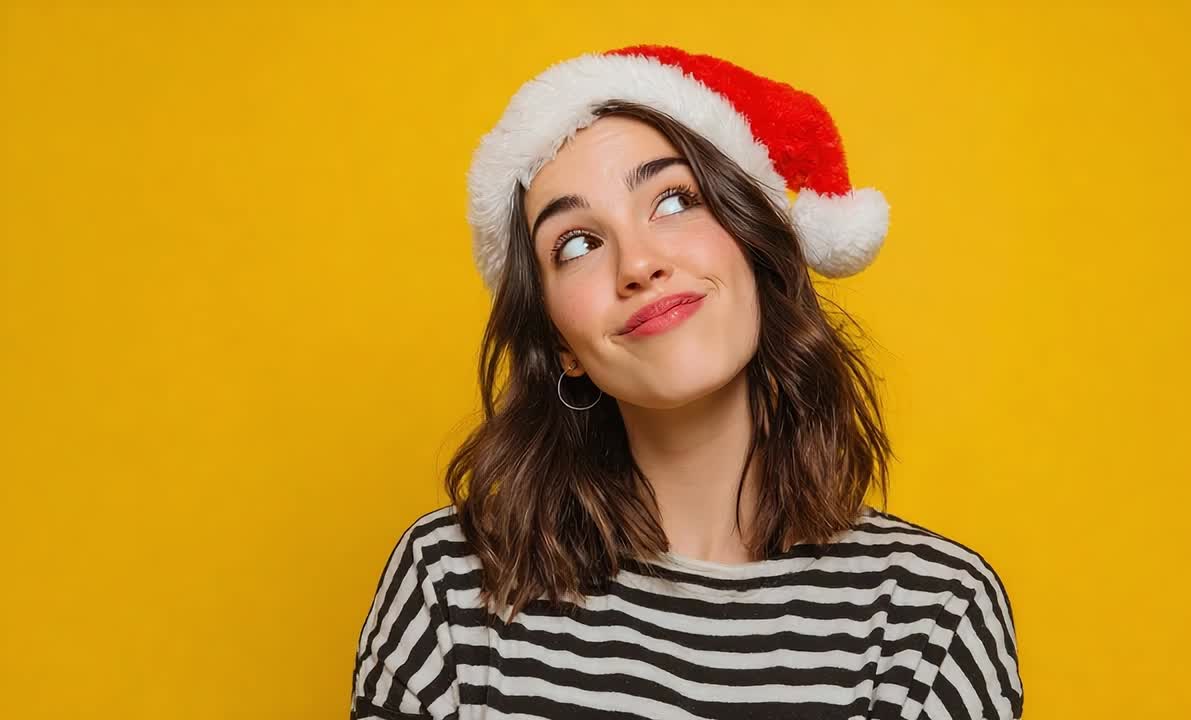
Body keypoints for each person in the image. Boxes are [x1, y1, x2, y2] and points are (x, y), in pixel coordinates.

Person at [349, 45, 1024, 719]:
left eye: (673, 200)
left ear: (757, 244)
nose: (638, 263)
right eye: (577, 243)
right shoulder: (450, 590)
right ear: (561, 344)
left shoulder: (930, 619)